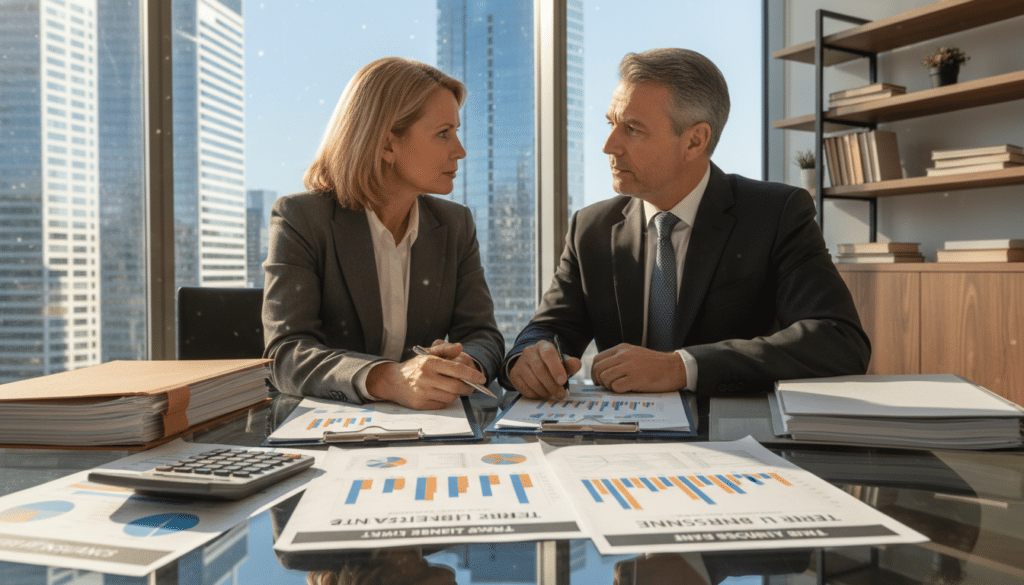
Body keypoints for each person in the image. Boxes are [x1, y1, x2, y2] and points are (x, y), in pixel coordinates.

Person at [500, 48, 869, 401]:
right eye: (611, 124)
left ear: (695, 141)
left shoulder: (776, 214)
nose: (609, 146)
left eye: (632, 128)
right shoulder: (591, 227)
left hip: (734, 432)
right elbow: (549, 328)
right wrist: (529, 357)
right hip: (620, 431)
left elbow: (838, 340)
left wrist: (683, 367)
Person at [263, 57, 504, 410]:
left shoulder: (455, 224)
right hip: (331, 429)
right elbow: (286, 354)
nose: (460, 151)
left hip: (430, 425)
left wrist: (466, 363)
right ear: (387, 145)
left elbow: (482, 334)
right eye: (443, 133)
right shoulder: (301, 219)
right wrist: (389, 379)